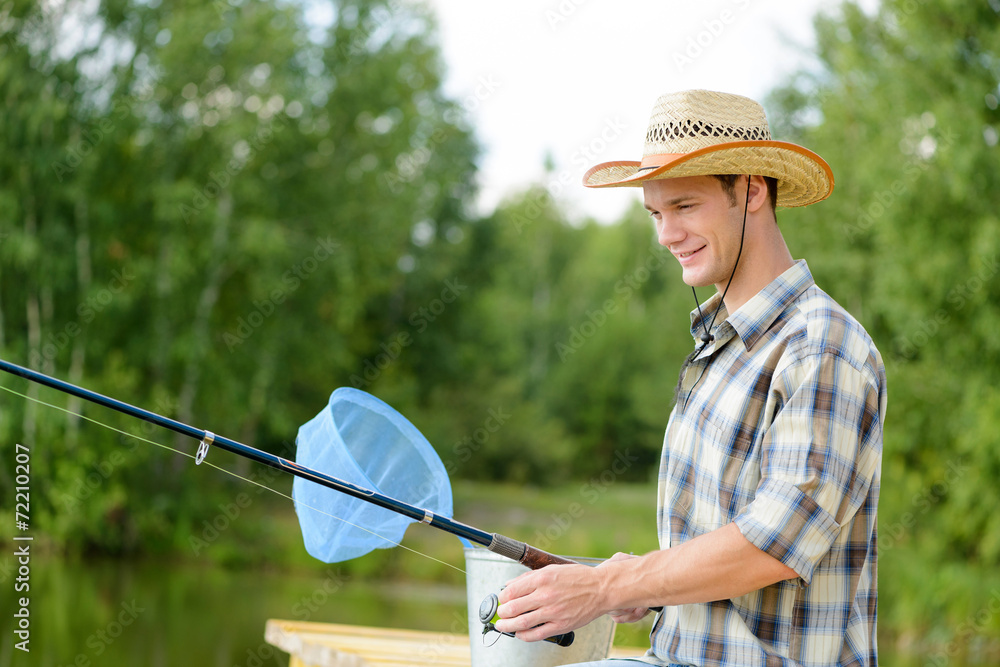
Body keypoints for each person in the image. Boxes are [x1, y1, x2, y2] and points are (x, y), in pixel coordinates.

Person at [494, 89, 886, 666]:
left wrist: (610, 588)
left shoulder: (823, 346)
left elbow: (772, 546)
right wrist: (641, 586)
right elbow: (723, 550)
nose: (665, 235)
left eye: (683, 206)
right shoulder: (719, 344)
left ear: (752, 190)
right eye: (655, 213)